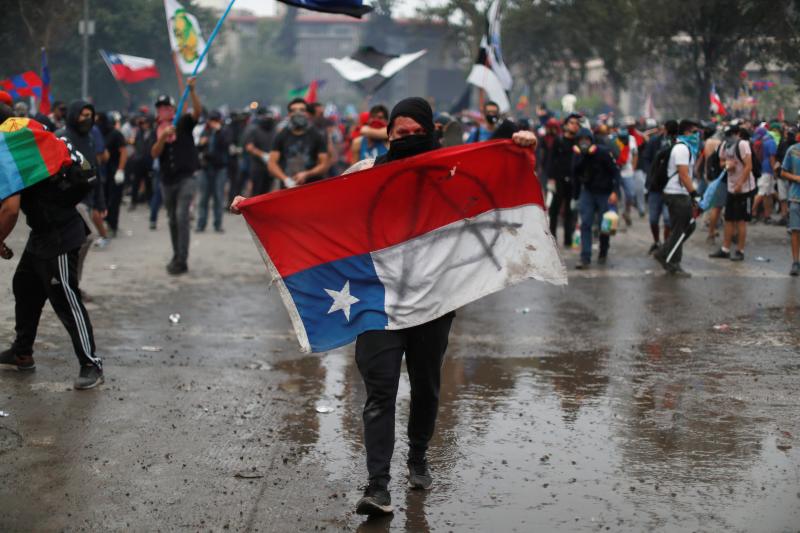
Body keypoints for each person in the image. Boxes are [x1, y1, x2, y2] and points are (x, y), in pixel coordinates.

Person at [231, 97, 537, 517]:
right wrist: (260, 208)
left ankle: (418, 456)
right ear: (388, 134)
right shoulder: (363, 174)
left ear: (431, 133)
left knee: (427, 387)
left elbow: (498, 182)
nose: (408, 140)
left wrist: (521, 146)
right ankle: (377, 485)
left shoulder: (452, 169)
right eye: (400, 134)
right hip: (377, 301)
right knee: (379, 392)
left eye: (417, 134)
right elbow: (320, 205)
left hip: (434, 300)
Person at [0, 114, 105, 389]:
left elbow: (10, 209)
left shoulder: (9, 149)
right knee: (23, 285)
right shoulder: (18, 140)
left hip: (59, 234)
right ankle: (22, 353)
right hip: (42, 232)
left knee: (66, 299)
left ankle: (91, 363)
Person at [150, 76, 202, 275]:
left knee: (181, 216)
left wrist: (193, 91)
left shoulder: (183, 122)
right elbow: (154, 153)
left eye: (167, 107)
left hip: (186, 178)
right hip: (167, 180)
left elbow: (198, 112)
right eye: (160, 107)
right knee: (172, 219)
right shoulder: (157, 130)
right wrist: (163, 137)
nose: (164, 110)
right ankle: (176, 254)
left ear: (173, 108)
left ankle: (182, 259)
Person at [55, 100, 106, 283]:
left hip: (86, 199)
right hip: (69, 200)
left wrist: (100, 202)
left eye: (90, 116)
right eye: (83, 115)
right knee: (87, 237)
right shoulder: (62, 137)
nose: (87, 119)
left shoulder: (89, 139)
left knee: (82, 240)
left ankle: (71, 282)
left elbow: (94, 171)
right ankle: (66, 281)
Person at [654, 119, 702, 277]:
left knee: (686, 227)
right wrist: (694, 194)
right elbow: (683, 174)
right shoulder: (682, 148)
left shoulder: (685, 147)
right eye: (695, 131)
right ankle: (673, 262)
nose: (697, 135)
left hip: (678, 193)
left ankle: (664, 253)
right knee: (680, 229)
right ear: (687, 132)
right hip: (676, 193)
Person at [571, 128, 620, 269]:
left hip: (605, 193)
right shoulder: (577, 155)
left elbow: (615, 172)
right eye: (581, 140)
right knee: (585, 223)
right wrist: (575, 197)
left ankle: (603, 251)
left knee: (604, 226)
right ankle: (585, 257)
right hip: (588, 192)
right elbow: (575, 175)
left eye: (587, 140)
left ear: (591, 141)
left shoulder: (603, 152)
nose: (584, 143)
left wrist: (615, 192)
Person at [709, 124, 756, 262]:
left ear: (737, 133)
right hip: (731, 187)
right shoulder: (724, 145)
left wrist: (740, 184)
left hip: (744, 189)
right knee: (729, 219)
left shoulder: (743, 145)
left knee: (741, 220)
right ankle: (725, 249)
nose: (728, 137)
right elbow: (721, 162)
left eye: (730, 134)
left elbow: (749, 166)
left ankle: (740, 250)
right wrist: (728, 165)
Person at [267, 98, 328, 187]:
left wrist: (307, 174)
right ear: (289, 114)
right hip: (288, 188)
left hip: (312, 186)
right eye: (294, 110)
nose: (298, 113)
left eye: (302, 110)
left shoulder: (317, 135)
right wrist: (285, 179)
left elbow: (324, 164)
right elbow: (271, 164)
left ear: (307, 113)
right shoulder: (281, 135)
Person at [547, 113, 581, 247]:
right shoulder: (558, 140)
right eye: (572, 123)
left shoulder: (580, 142)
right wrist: (551, 178)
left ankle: (568, 239)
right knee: (554, 209)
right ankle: (552, 238)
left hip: (573, 180)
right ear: (566, 125)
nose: (574, 125)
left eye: (577, 123)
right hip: (558, 179)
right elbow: (551, 159)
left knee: (570, 210)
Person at [196, 110, 228, 233]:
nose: (212, 123)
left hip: (219, 168)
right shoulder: (205, 131)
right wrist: (201, 143)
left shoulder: (224, 131)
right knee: (203, 197)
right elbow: (199, 147)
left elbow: (225, 144)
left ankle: (218, 224)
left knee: (218, 197)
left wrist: (219, 131)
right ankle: (201, 223)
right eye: (211, 120)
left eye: (215, 120)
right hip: (205, 167)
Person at [98, 112, 128, 238]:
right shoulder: (96, 133)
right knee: (103, 199)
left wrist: (120, 170)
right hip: (102, 172)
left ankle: (113, 225)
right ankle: (104, 223)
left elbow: (123, 151)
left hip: (115, 171)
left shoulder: (115, 134)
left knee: (114, 200)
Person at [241, 107, 276, 196]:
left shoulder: (274, 130)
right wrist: (262, 155)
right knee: (256, 193)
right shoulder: (254, 130)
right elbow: (249, 147)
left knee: (267, 193)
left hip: (270, 167)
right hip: (257, 167)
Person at [778, 139, 800, 276]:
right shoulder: (793, 150)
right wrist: (796, 178)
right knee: (795, 231)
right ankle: (795, 262)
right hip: (795, 198)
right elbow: (782, 172)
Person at [751, 126, 777, 222]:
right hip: (767, 170)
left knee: (767, 193)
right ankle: (751, 212)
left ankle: (767, 215)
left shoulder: (763, 141)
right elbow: (772, 158)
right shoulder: (771, 142)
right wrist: (775, 170)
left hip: (762, 167)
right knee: (762, 192)